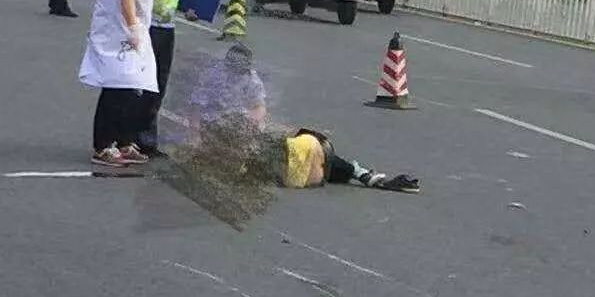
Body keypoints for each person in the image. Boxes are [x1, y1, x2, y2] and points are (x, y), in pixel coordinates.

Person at [180, 45, 421, 193]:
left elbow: (259, 108)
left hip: (242, 129)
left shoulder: (251, 78)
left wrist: (250, 125)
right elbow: (195, 108)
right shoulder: (214, 77)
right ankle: (361, 173)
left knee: (306, 153)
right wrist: (195, 136)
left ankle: (364, 174)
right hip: (217, 126)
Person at [78, 0, 187, 175]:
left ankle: (125, 140)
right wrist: (135, 27)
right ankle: (103, 145)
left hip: (132, 27)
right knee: (118, 88)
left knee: (136, 86)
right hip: (123, 29)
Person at [135, 0, 186, 157]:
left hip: (168, 24)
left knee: (158, 85)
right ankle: (128, 138)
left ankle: (147, 140)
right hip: (148, 25)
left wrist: (186, 6)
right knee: (139, 83)